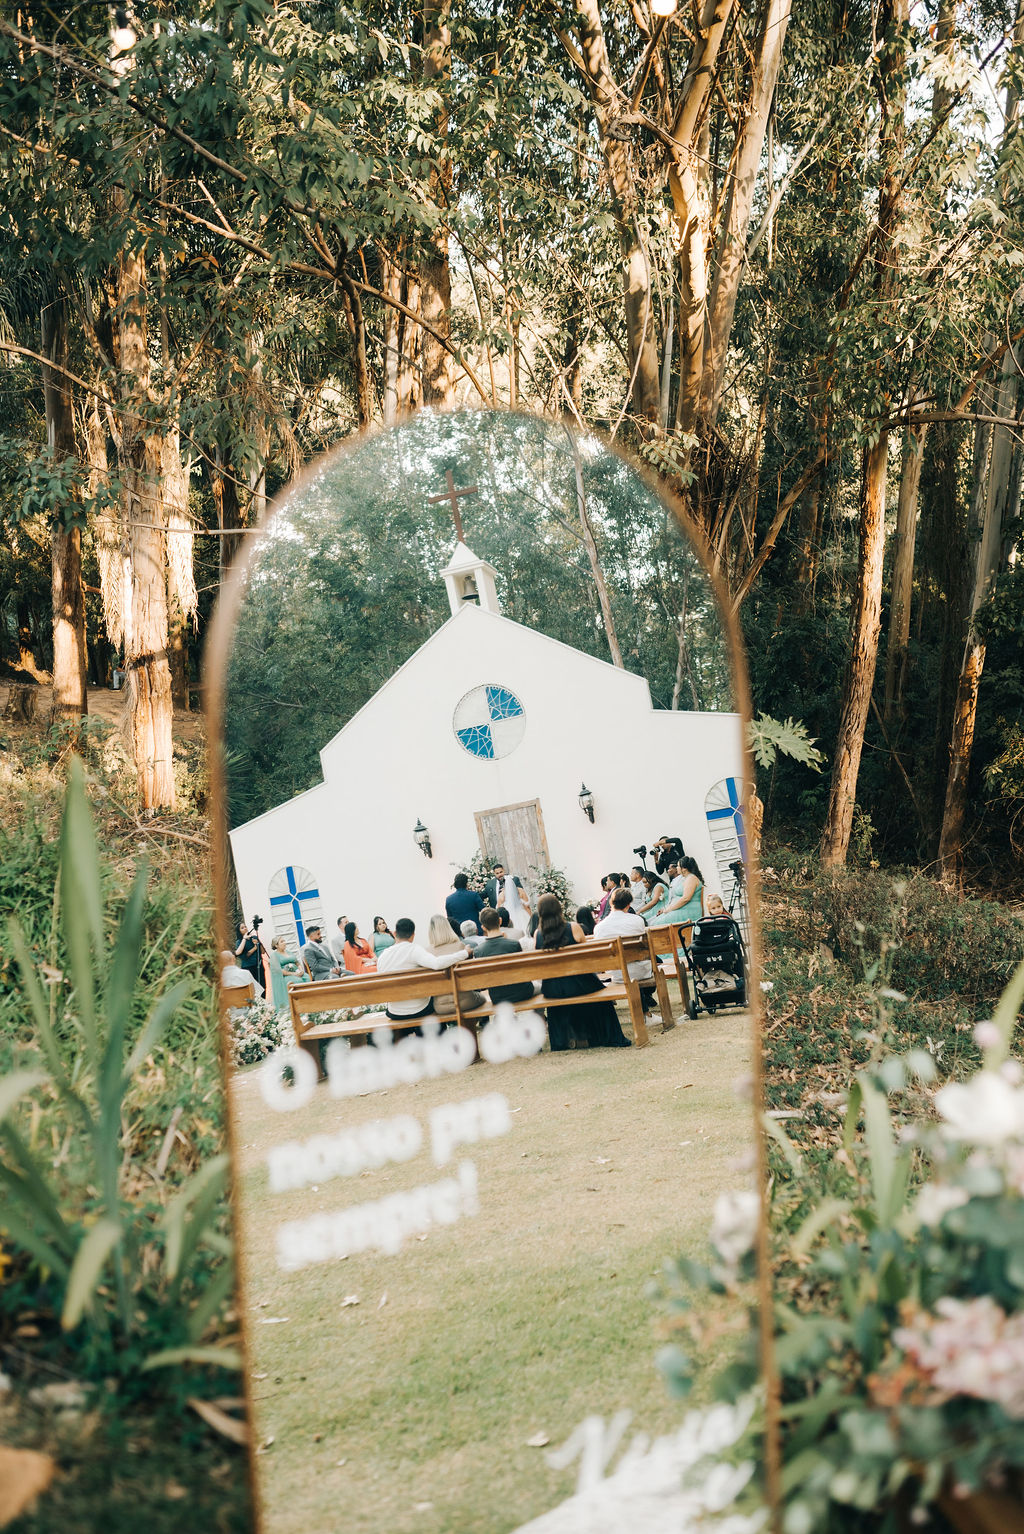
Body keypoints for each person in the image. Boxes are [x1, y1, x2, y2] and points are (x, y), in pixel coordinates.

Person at [533, 893, 630, 1050]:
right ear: (559, 908)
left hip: (553, 988)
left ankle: (566, 1040)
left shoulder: (537, 935)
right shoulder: (573, 928)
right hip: (579, 983)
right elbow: (587, 956)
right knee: (601, 997)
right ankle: (600, 1035)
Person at [376, 918, 469, 1023]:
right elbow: (437, 964)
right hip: (419, 1009)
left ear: (394, 933)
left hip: (394, 1012)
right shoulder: (414, 950)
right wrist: (464, 953)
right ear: (413, 935)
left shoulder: (383, 956)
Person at [594, 888, 659, 1018]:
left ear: (611, 903)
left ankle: (644, 1012)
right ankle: (645, 1013)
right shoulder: (637, 920)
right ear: (629, 905)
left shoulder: (599, 927)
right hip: (641, 971)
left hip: (617, 974)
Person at [471, 905, 537, 1005]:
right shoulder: (514, 944)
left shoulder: (478, 951)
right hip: (522, 992)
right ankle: (540, 1018)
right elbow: (523, 970)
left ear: (483, 927)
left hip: (498, 998)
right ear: (500, 921)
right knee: (540, 988)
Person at [425, 913, 484, 1014]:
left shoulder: (427, 952)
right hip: (465, 1001)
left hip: (440, 1006)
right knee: (483, 998)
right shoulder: (460, 946)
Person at [445, 872, 485, 937]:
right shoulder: (473, 895)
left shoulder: (449, 899)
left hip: (461, 932)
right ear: (466, 883)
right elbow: (484, 911)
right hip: (476, 930)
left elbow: (450, 919)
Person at [266, 937, 300, 1010]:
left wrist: (301, 970)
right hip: (285, 976)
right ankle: (296, 1005)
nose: (284, 943)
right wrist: (293, 974)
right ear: (276, 945)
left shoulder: (289, 952)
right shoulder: (274, 956)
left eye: (284, 941)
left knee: (306, 977)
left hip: (297, 972)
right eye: (282, 941)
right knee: (296, 981)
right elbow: (278, 970)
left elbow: (297, 963)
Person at [235, 921, 263, 989]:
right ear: (239, 931)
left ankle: (263, 999)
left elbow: (263, 951)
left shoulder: (254, 937)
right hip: (248, 967)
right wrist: (255, 948)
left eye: (245, 926)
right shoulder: (239, 942)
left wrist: (258, 943)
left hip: (259, 965)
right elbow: (244, 956)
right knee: (254, 987)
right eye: (242, 928)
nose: (245, 928)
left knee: (263, 985)